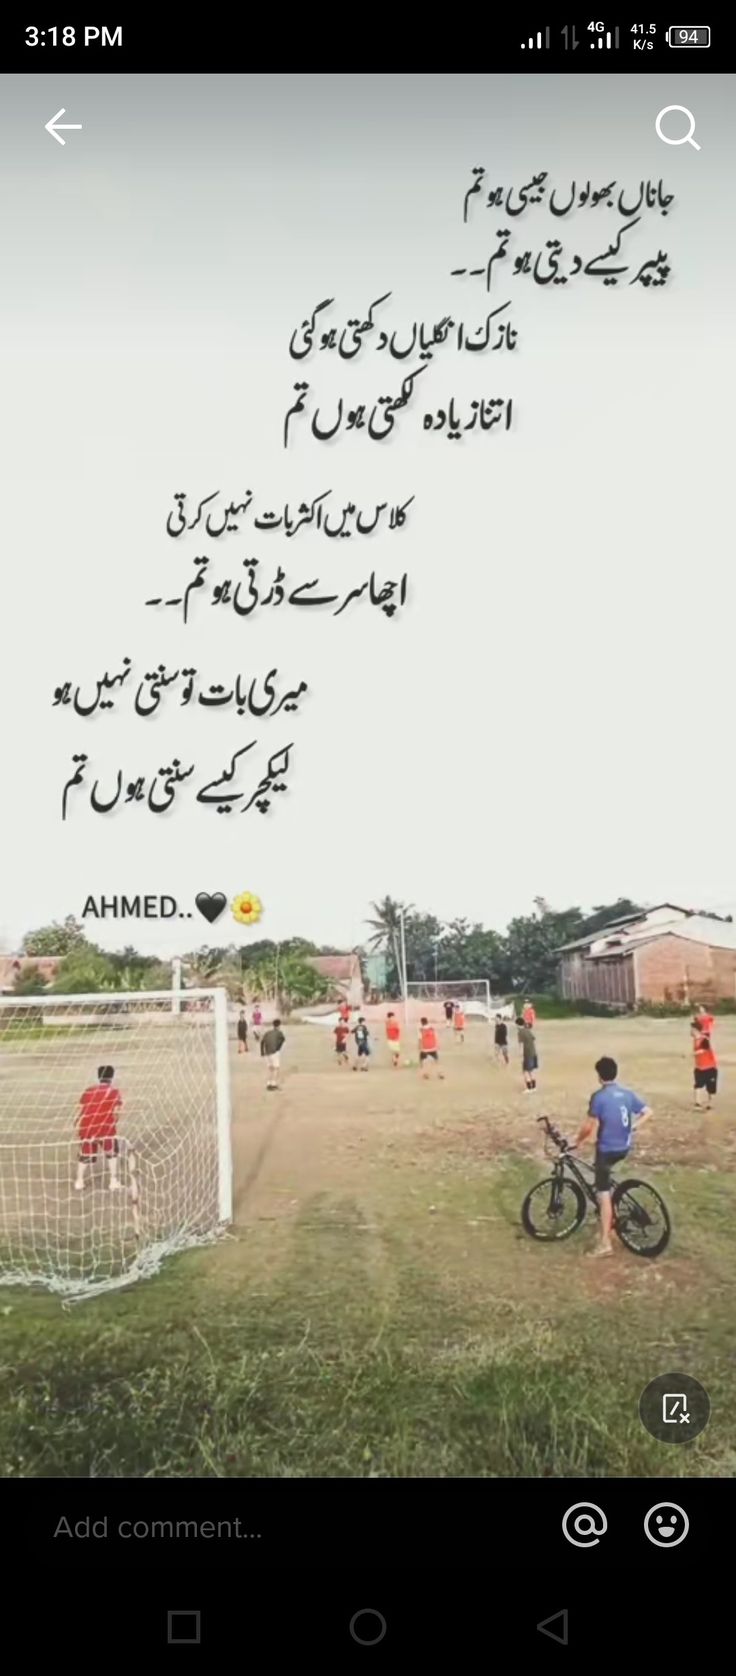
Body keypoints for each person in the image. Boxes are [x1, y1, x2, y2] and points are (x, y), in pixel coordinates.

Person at [575, 1055, 652, 1257]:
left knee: (603, 1194)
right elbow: (648, 1112)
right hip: (623, 1147)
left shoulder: (599, 1097)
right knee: (605, 1178)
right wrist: (632, 1127)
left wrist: (577, 1142)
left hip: (607, 1150)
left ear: (599, 1076)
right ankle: (610, 1217)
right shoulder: (626, 1094)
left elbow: (588, 1126)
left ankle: (605, 1244)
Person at [75, 1065, 123, 1192]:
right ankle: (113, 1181)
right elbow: (116, 1112)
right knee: (112, 1153)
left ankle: (79, 1181)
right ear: (111, 1077)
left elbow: (80, 1109)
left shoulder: (89, 1090)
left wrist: (76, 1124)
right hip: (105, 1128)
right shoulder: (114, 1092)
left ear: (98, 1076)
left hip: (87, 1127)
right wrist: (115, 1121)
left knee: (85, 1155)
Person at [692, 1022, 718, 1110]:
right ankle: (697, 1104)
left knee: (711, 1088)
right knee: (697, 1085)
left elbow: (704, 1049)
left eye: (692, 1029)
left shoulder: (704, 1039)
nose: (690, 1031)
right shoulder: (695, 1040)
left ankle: (710, 1104)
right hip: (699, 1067)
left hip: (710, 1068)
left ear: (695, 1030)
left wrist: (692, 1054)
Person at [261, 1017, 285, 1090]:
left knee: (270, 1069)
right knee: (276, 1068)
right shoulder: (279, 1033)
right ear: (279, 1026)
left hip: (267, 1053)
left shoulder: (268, 1032)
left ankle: (268, 1083)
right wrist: (278, 1047)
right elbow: (283, 1039)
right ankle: (273, 1084)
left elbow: (262, 1042)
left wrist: (262, 1052)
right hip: (274, 1052)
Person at [516, 1016, 538, 1090]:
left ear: (518, 1024)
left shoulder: (520, 1032)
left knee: (525, 1072)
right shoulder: (528, 1030)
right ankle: (534, 1087)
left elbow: (521, 1045)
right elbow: (533, 1039)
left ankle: (529, 1088)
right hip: (533, 1053)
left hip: (527, 1054)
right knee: (531, 1071)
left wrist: (521, 1056)